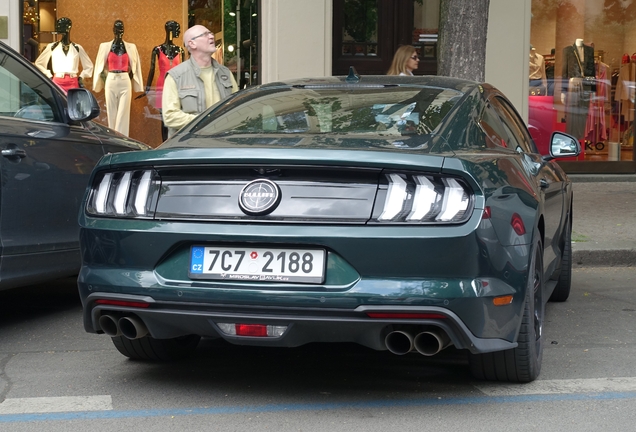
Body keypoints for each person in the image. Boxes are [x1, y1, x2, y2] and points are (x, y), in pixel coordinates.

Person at [162, 25, 238, 138]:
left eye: (211, 33)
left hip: (223, 142)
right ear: (192, 44)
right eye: (205, 34)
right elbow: (170, 117)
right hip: (189, 146)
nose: (212, 36)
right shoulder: (176, 76)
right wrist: (206, 121)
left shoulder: (225, 73)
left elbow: (237, 108)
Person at [136, 20, 186, 140]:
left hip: (177, 87)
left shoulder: (181, 50)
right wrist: (147, 89)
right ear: (169, 30)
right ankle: (164, 145)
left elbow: (184, 72)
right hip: (162, 87)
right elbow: (152, 70)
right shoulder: (157, 49)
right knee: (164, 120)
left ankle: (174, 144)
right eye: (176, 29)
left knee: (176, 118)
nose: (178, 31)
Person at [93, 20, 143, 136]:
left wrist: (131, 79)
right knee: (111, 113)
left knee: (123, 114)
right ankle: (112, 138)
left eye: (121, 28)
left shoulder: (131, 47)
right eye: (116, 28)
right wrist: (104, 80)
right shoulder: (104, 46)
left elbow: (136, 66)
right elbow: (99, 65)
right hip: (110, 79)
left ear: (124, 30)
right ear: (113, 30)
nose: (119, 31)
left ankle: (122, 139)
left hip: (125, 80)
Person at [34, 17, 93, 93]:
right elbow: (39, 63)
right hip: (57, 82)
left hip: (73, 82)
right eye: (58, 25)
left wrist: (81, 77)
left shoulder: (77, 48)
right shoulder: (52, 47)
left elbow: (89, 66)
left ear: (68, 27)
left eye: (61, 25)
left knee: (72, 104)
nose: (58, 27)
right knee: (59, 103)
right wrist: (49, 75)